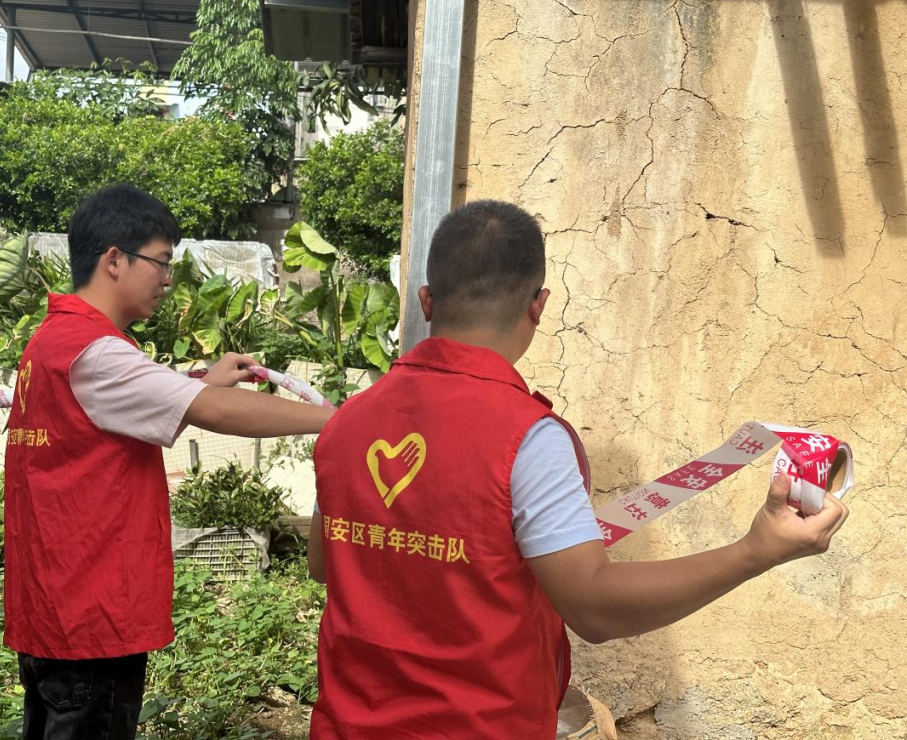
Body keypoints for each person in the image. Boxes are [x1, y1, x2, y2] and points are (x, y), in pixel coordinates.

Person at [306, 200, 849, 739]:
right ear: (538, 306)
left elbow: (326, 562)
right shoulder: (527, 438)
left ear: (426, 301)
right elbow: (595, 609)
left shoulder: (348, 422)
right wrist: (756, 550)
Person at [4, 184, 334, 740]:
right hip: (92, 620)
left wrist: (201, 380)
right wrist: (340, 420)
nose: (166, 279)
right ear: (115, 260)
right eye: (161, 262)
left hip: (54, 610)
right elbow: (217, 412)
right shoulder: (98, 353)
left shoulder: (55, 342)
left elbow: (133, 399)